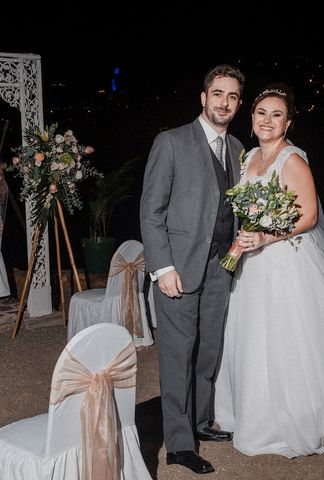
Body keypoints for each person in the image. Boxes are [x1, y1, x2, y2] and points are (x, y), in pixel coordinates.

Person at [214, 84, 324, 458]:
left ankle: (300, 418)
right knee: (256, 338)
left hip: (287, 262)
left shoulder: (292, 158)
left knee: (289, 338)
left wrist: (264, 237)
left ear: (288, 122)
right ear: (252, 118)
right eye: (261, 112)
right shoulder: (248, 159)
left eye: (276, 114)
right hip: (254, 265)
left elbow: (309, 216)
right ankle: (258, 414)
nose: (267, 120)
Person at [140, 64, 245, 474]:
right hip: (178, 270)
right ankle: (179, 444)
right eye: (218, 93)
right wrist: (162, 267)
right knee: (177, 355)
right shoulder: (170, 142)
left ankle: (201, 421)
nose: (224, 102)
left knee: (208, 352)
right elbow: (151, 212)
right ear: (203, 97)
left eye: (232, 96)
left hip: (221, 265)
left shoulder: (237, 148)